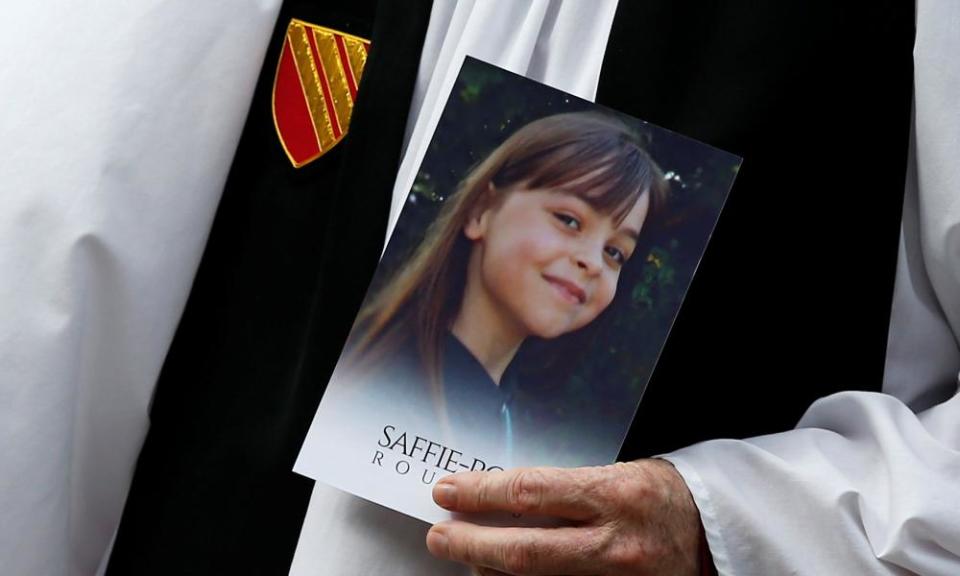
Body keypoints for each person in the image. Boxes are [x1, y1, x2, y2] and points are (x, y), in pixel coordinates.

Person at [337, 112, 667, 462]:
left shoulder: (502, 415)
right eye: (569, 220)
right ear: (482, 211)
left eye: (615, 252)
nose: (593, 262)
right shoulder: (375, 390)